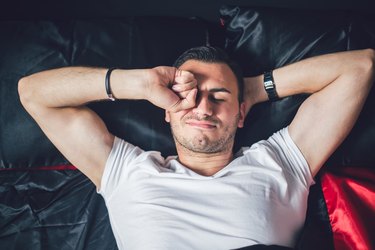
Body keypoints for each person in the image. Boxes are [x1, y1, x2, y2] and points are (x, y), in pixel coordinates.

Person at [18, 46, 374, 249]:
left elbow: (360, 66)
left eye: (219, 98)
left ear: (240, 114)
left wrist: (251, 89)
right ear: (166, 112)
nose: (204, 108)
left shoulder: (281, 161)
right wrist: (136, 82)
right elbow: (33, 93)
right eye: (188, 98)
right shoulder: (127, 170)